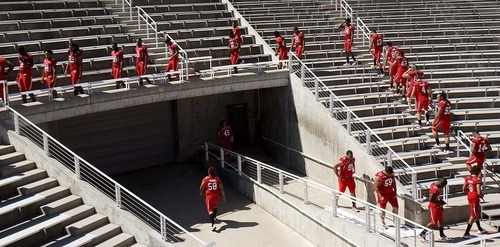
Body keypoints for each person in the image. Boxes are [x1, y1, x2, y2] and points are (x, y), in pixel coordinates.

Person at [418, 178, 450, 242]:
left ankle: (441, 235)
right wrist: (439, 202)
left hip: (437, 206)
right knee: (433, 222)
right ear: (441, 184)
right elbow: (430, 199)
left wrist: (440, 201)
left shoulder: (434, 184)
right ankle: (422, 234)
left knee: (440, 220)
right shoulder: (435, 189)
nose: (442, 187)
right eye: (443, 186)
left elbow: (435, 197)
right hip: (434, 207)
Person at [462, 166, 488, 239]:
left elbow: (463, 189)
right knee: (473, 215)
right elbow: (479, 192)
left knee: (476, 213)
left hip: (470, 196)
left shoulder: (467, 178)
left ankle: (479, 228)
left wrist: (470, 192)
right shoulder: (477, 180)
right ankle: (466, 233)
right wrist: (482, 195)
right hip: (474, 198)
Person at [199, 167, 226, 231]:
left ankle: (213, 224)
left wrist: (201, 192)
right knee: (215, 206)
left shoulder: (206, 179)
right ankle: (214, 217)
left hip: (209, 197)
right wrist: (224, 196)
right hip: (216, 196)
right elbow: (221, 188)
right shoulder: (217, 179)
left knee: (210, 210)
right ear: (214, 173)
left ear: (208, 172)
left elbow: (201, 187)